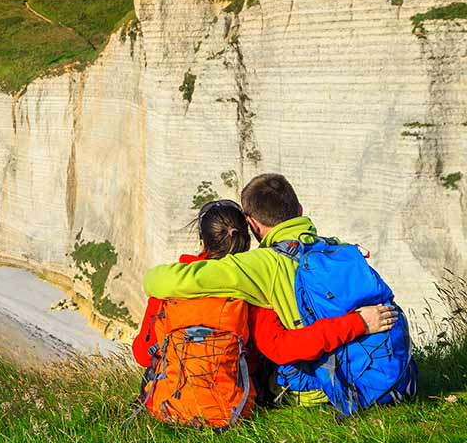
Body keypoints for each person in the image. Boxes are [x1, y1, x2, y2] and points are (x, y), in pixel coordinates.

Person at [142, 173, 401, 405]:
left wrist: (356, 324)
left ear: (253, 225)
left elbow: (161, 281)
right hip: (380, 369)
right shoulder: (337, 248)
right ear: (299, 210)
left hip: (317, 389)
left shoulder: (263, 265)